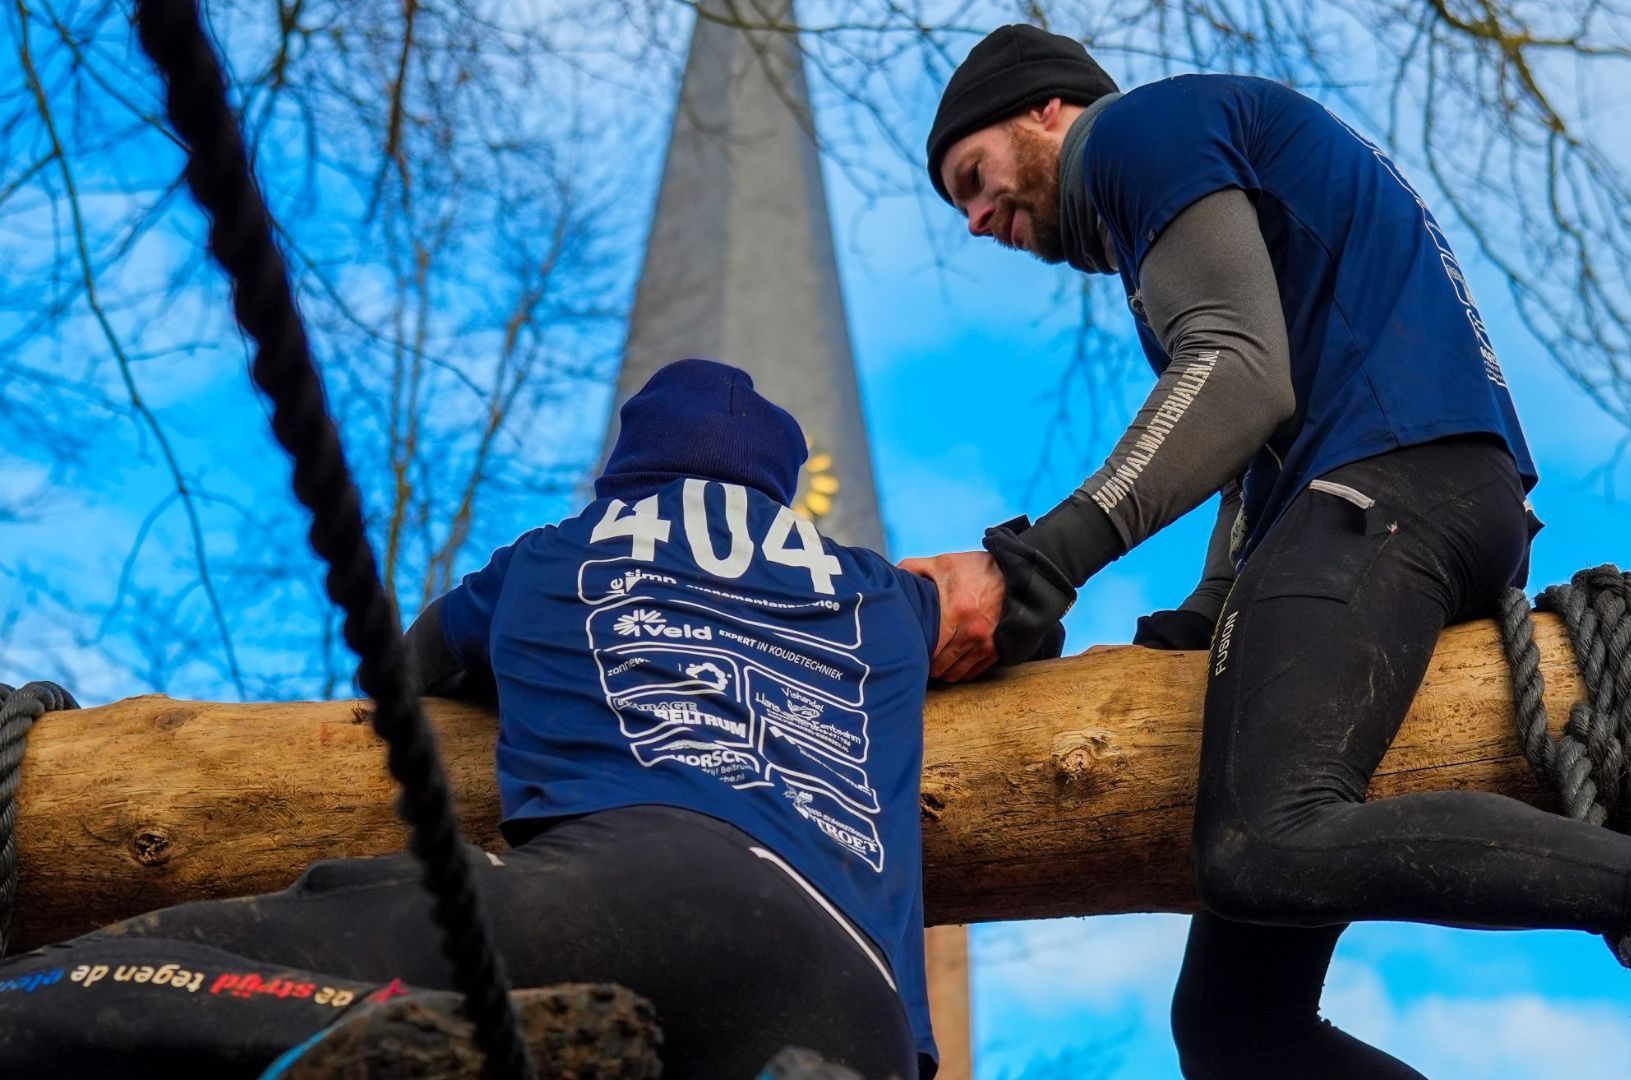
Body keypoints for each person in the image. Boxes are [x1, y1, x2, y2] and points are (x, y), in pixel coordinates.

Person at [906, 23, 1631, 1080]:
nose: (978, 221)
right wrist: (1211, 610)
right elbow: (1260, 424)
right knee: (1235, 1027)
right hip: (1411, 495)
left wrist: (1043, 564)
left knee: (1262, 837)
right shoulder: (1190, 164)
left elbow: (1239, 374)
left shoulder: (1135, 136)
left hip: (1389, 489)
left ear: (1049, 113)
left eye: (973, 179)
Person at [0, 359, 940, 1080]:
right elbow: (1008, 604)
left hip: (642, 895)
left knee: (45, 990)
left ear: (627, 473)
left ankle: (353, 1030)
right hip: (864, 1011)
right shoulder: (882, 597)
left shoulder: (552, 556)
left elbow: (413, 670)